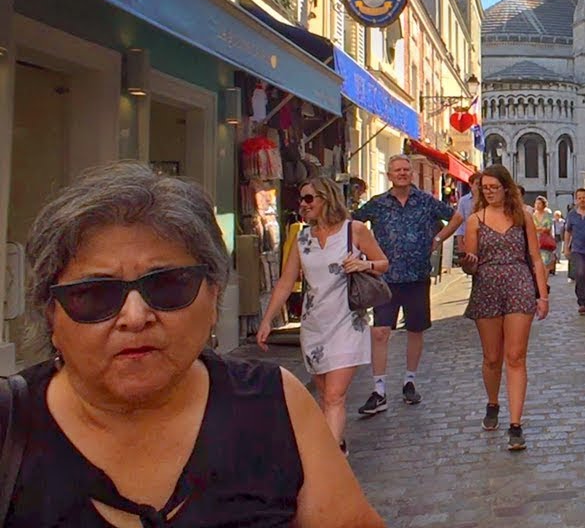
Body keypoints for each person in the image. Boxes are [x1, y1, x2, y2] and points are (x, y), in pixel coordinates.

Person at [12, 162, 382, 526]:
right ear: (49, 314)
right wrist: (268, 319)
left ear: (212, 298)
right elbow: (287, 281)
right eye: (95, 294)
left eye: (168, 285)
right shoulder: (10, 429)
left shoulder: (275, 406)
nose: (136, 316)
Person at [259, 177, 388, 454]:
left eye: (309, 199)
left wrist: (363, 264)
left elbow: (383, 264)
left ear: (326, 199)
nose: (303, 205)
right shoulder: (302, 237)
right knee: (325, 398)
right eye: (301, 199)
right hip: (315, 325)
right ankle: (338, 444)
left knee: (334, 395)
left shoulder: (354, 230)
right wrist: (267, 319)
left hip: (347, 322)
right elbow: (285, 281)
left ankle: (332, 464)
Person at [351, 154, 455, 415]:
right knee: (380, 332)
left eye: (406, 169)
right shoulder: (378, 204)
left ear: (412, 173)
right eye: (397, 170)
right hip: (385, 279)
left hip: (418, 276)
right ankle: (379, 389)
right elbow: (352, 224)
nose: (403, 173)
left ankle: (409, 380)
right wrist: (361, 254)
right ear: (389, 175)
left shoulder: (425, 201)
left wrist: (439, 238)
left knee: (415, 330)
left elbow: (455, 216)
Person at [458, 166, 550, 451]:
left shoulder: (522, 216)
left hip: (518, 284)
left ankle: (515, 424)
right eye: (484, 188)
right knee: (492, 356)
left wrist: (542, 295)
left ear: (506, 187)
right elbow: (471, 266)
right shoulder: (475, 220)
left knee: (515, 355)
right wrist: (468, 261)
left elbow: (535, 258)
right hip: (487, 286)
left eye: (493, 187)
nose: (488, 192)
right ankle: (493, 402)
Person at [532, 196, 556, 276]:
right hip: (535, 242)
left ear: (543, 205)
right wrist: (540, 229)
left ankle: (544, 284)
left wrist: (539, 229)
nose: (537, 205)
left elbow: (548, 228)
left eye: (539, 203)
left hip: (545, 242)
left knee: (545, 264)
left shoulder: (548, 215)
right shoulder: (533, 216)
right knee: (536, 264)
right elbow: (531, 228)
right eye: (536, 203)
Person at [552, 210, 567, 275]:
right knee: (554, 248)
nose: (556, 217)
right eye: (556, 215)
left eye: (558, 215)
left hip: (560, 235)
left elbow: (565, 229)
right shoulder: (553, 221)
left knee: (559, 247)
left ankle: (558, 258)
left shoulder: (563, 222)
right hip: (554, 235)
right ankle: (556, 258)